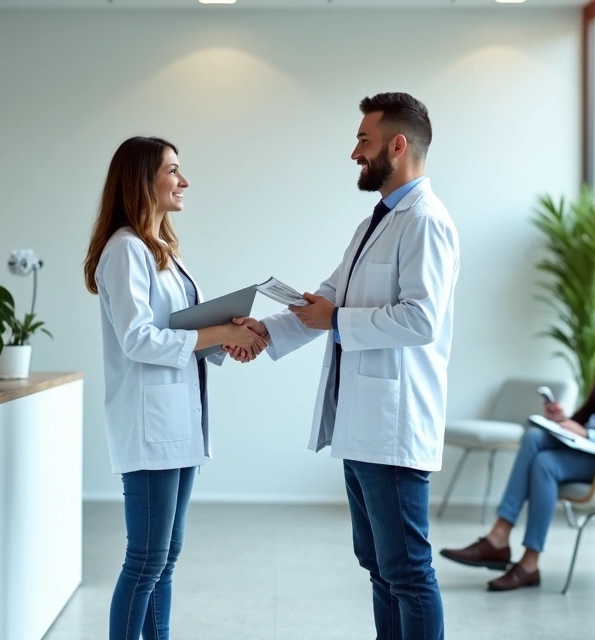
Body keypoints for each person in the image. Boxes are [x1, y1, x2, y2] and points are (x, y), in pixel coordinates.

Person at [231, 92, 458, 640]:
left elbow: (421, 320)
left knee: (407, 570)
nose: (355, 151)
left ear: (397, 145)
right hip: (361, 428)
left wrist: (335, 320)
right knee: (380, 568)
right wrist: (267, 330)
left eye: (364, 139)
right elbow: (327, 303)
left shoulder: (425, 221)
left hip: (394, 426)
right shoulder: (374, 223)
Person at [82, 136, 267, 640]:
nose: (183, 181)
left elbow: (179, 329)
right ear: (143, 180)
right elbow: (139, 339)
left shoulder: (160, 250)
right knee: (144, 559)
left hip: (180, 421)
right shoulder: (125, 250)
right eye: (173, 171)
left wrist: (229, 336)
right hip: (150, 426)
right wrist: (218, 334)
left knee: (165, 559)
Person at [439, 290, 595, 591]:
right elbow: (591, 411)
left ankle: (513, 549)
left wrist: (591, 434)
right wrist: (565, 419)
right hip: (587, 447)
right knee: (535, 437)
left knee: (544, 463)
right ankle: (511, 547)